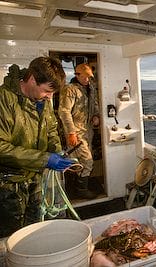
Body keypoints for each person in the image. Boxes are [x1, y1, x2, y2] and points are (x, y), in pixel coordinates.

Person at [0, 57, 75, 238]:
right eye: (47, 91)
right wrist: (45, 159)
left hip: (37, 180)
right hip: (9, 185)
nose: (50, 97)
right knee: (13, 237)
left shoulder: (44, 100)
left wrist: (56, 150)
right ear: (32, 79)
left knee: (37, 232)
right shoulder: (4, 99)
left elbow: (51, 130)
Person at [58, 63, 100, 199]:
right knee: (87, 161)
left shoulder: (91, 88)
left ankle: (75, 188)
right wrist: (71, 132)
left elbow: (94, 104)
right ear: (77, 75)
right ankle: (81, 190)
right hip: (75, 131)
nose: (88, 80)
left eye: (90, 77)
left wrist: (96, 116)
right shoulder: (70, 90)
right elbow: (64, 112)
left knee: (79, 160)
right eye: (85, 77)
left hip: (88, 130)